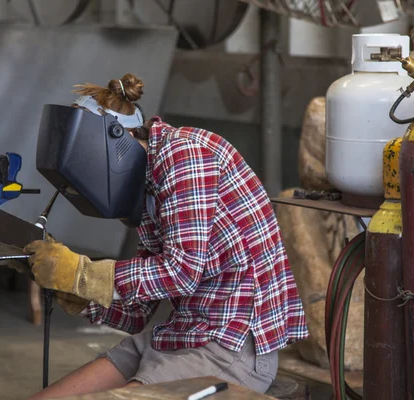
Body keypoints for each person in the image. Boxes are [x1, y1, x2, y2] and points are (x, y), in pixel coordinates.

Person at [24, 73, 308, 399]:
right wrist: (82, 296)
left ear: (119, 138)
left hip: (229, 347)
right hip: (174, 334)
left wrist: (83, 275)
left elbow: (181, 273)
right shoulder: (149, 185)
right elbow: (139, 312)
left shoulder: (187, 155)